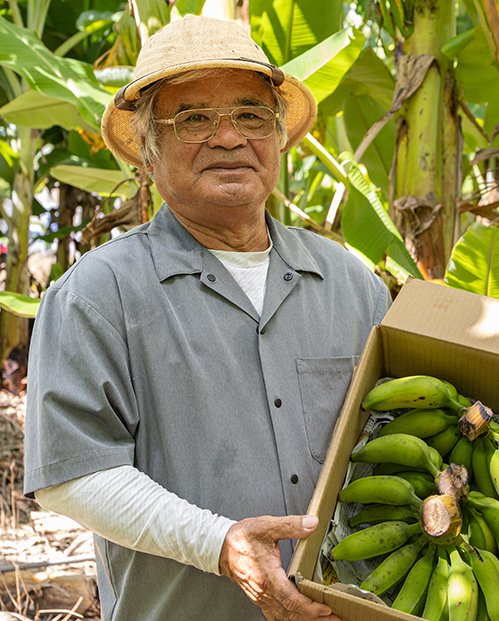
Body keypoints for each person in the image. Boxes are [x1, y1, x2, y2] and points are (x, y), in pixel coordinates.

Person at [23, 15, 389, 621]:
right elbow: (75, 476)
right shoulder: (99, 292)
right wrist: (221, 545)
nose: (229, 138)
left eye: (251, 116)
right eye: (193, 118)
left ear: (277, 137)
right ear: (148, 148)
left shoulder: (352, 286)